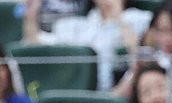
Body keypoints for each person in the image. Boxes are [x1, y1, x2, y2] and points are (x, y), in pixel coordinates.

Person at [22, 0, 153, 91]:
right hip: (80, 89)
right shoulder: (75, 25)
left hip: (121, 89)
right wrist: (31, 15)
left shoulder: (141, 19)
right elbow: (37, 44)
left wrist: (118, 19)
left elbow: (142, 54)